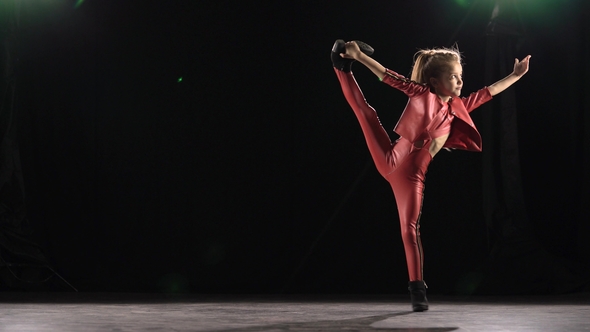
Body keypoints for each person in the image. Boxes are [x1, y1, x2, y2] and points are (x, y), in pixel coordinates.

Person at [330, 39, 531, 311]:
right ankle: (342, 66)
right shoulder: (421, 93)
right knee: (367, 113)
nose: (460, 81)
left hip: (412, 177)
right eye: (453, 77)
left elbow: (488, 92)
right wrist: (359, 58)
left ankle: (417, 289)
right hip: (390, 159)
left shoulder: (457, 107)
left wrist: (515, 75)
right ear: (435, 81)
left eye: (461, 76)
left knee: (410, 229)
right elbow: (388, 76)